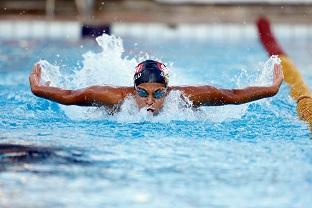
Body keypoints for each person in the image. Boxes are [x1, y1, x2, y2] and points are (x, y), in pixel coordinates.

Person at [29, 59, 283, 115]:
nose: (150, 100)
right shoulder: (116, 98)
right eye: (143, 93)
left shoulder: (184, 97)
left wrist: (271, 89)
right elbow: (72, 96)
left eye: (158, 93)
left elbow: (231, 96)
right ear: (134, 89)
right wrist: (40, 89)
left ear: (167, 90)